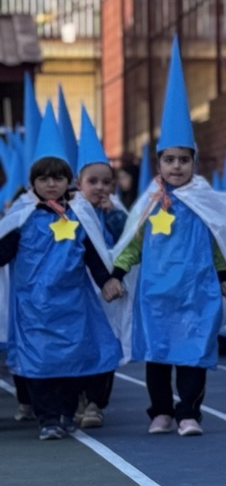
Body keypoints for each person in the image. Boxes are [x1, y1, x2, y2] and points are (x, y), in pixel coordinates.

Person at [104, 37, 226, 437]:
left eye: (183, 160)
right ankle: (160, 411)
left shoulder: (203, 200)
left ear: (193, 162)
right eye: (169, 160)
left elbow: (217, 240)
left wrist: (224, 277)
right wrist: (118, 273)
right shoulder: (151, 204)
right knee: (158, 355)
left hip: (197, 290)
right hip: (156, 292)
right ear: (159, 163)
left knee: (193, 354)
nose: (176, 166)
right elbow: (134, 243)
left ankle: (189, 411)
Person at [0, 106, 121, 441]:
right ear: (33, 182)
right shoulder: (21, 217)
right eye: (43, 178)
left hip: (72, 304)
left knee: (72, 362)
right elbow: (4, 251)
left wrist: (108, 280)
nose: (51, 184)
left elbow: (94, 256)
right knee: (39, 364)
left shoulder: (79, 217)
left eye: (58, 177)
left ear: (69, 181)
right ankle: (47, 418)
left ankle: (67, 412)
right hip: (33, 306)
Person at [67, 106, 128, 429]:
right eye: (93, 181)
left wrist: (114, 215)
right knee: (79, 346)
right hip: (79, 292)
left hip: (108, 291)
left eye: (107, 182)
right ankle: (77, 397)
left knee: (107, 345)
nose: (100, 187)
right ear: (79, 182)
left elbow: (129, 239)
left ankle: (96, 403)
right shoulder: (69, 214)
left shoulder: (114, 211)